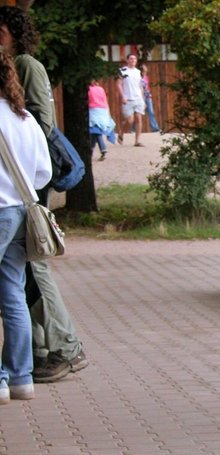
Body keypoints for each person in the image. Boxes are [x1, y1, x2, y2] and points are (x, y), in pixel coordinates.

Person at [0, 6, 89, 384]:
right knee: (20, 282)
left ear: (14, 32)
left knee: (34, 272)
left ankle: (65, 348)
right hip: (22, 185)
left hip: (21, 186)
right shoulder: (16, 70)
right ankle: (30, 359)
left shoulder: (26, 64)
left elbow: (43, 123)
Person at [0, 50, 52, 404]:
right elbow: (42, 172)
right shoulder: (24, 118)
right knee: (13, 294)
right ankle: (20, 378)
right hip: (21, 211)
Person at [117, 53, 145, 147]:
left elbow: (140, 86)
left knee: (138, 119)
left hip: (138, 98)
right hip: (128, 98)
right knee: (129, 120)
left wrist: (143, 99)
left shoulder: (138, 72)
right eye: (131, 59)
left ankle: (137, 141)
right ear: (127, 60)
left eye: (135, 59)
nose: (133, 60)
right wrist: (123, 96)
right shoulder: (123, 70)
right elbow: (118, 84)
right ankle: (121, 132)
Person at [88, 80, 116, 161]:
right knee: (94, 133)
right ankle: (90, 151)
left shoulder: (89, 89)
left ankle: (103, 149)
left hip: (93, 111)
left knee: (96, 132)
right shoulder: (101, 89)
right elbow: (105, 101)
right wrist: (108, 113)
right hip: (103, 111)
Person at [140, 64, 160, 133]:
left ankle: (155, 128)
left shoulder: (146, 77)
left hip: (148, 96)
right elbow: (140, 88)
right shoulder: (139, 77)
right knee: (139, 113)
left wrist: (150, 94)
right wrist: (142, 99)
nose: (146, 68)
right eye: (144, 67)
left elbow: (147, 87)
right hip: (141, 96)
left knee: (151, 112)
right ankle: (133, 129)